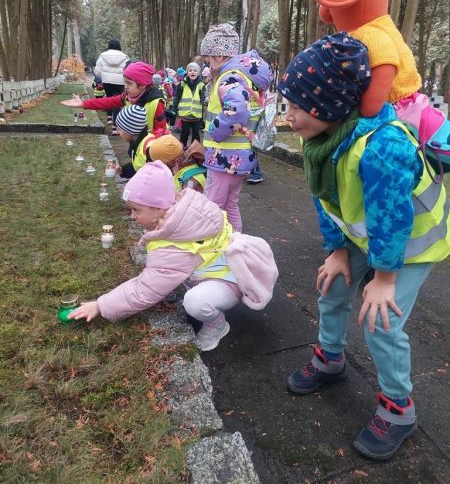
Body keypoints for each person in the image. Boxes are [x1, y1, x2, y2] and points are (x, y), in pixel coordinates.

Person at [276, 32, 450, 461]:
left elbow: (392, 218)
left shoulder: (383, 146)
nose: (288, 117)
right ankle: (330, 357)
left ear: (329, 103)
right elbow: (325, 197)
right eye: (287, 105)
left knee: (381, 320)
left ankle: (398, 408)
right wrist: (337, 250)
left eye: (296, 107)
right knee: (332, 285)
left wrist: (384, 279)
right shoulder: (322, 137)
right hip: (367, 234)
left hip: (411, 242)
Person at [67, 161, 278, 351]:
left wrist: (101, 305)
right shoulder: (186, 212)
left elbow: (145, 289)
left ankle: (217, 325)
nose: (132, 216)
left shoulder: (174, 246)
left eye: (136, 210)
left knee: (195, 302)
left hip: (229, 280)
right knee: (191, 288)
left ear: (159, 208)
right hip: (230, 267)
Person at [200, 23, 272, 232]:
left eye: (208, 58)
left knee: (212, 205)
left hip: (223, 156)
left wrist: (215, 131)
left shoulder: (229, 77)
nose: (208, 64)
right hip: (239, 155)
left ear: (219, 55)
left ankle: (210, 244)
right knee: (230, 204)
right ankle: (236, 242)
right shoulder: (245, 78)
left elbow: (238, 110)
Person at [61, 61, 168, 138]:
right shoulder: (128, 97)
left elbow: (162, 133)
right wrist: (83, 104)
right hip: (137, 146)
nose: (125, 87)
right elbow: (107, 102)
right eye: (125, 82)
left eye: (129, 83)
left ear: (143, 85)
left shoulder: (156, 104)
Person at [94, 39, 129, 132]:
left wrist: (100, 78)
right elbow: (128, 69)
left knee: (109, 97)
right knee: (117, 101)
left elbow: (97, 70)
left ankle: (109, 116)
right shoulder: (125, 57)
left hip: (107, 81)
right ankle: (115, 126)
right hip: (120, 82)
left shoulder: (103, 55)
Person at [172, 62, 206, 148]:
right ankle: (181, 150)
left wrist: (206, 104)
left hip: (196, 116)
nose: (192, 72)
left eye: (195, 70)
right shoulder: (182, 85)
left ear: (198, 73)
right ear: (187, 73)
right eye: (190, 70)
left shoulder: (201, 85)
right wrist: (173, 109)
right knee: (184, 134)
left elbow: (203, 100)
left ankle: (195, 152)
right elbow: (177, 98)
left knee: (196, 136)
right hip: (185, 115)